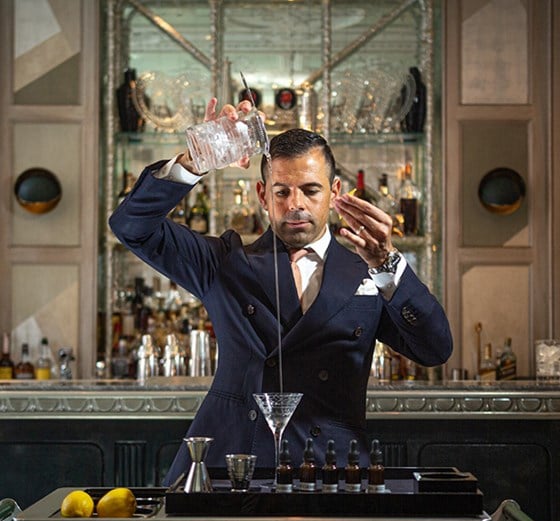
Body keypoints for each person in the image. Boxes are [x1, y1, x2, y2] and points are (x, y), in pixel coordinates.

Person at [109, 97, 453, 487]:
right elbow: (130, 226)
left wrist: (389, 264)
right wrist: (195, 160)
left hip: (329, 470)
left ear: (336, 192)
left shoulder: (368, 271)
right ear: (261, 194)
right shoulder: (225, 262)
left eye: (310, 190)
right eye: (282, 192)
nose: (296, 205)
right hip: (232, 463)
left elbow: (434, 349)